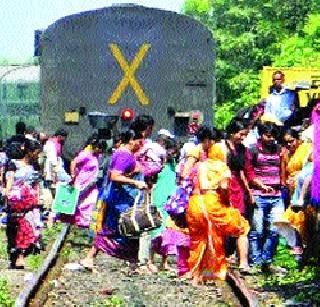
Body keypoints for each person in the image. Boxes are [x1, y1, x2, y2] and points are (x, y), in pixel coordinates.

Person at [80, 130, 147, 273]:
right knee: (123, 229)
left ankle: (133, 263)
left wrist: (133, 173)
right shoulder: (124, 154)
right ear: (131, 140)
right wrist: (135, 183)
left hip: (120, 198)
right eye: (139, 141)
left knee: (125, 231)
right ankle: (90, 257)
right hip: (119, 200)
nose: (141, 145)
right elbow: (115, 176)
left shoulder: (123, 153)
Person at [186, 143, 250, 285]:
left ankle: (196, 276)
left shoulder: (202, 165)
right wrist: (221, 179)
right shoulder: (223, 168)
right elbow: (222, 188)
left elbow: (201, 184)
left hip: (195, 204)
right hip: (211, 204)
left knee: (199, 239)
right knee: (242, 226)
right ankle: (237, 264)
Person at [248, 123, 285, 273]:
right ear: (261, 135)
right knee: (257, 229)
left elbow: (282, 166)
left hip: (276, 194)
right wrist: (259, 186)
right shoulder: (253, 150)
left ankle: (266, 260)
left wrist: (282, 183)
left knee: (276, 228)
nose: (271, 139)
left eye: (273, 136)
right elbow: (249, 172)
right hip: (258, 194)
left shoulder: (279, 149)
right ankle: (256, 261)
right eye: (268, 135)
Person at [5, 139, 42, 269]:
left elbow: (36, 184)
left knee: (25, 227)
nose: (38, 156)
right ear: (29, 152)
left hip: (29, 203)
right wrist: (8, 194)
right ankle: (15, 253)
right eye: (36, 153)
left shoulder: (35, 167)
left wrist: (38, 198)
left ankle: (21, 255)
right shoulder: (13, 164)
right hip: (16, 201)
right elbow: (9, 181)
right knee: (13, 228)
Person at [60, 134, 103, 228]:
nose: (101, 152)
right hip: (82, 183)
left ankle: (84, 224)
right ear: (95, 147)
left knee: (89, 203)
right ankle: (78, 224)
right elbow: (73, 162)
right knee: (79, 204)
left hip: (91, 185)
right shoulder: (86, 154)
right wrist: (73, 175)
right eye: (100, 149)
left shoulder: (95, 155)